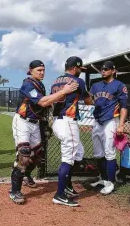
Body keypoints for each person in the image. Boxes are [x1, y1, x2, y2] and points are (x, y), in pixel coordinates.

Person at [10, 60, 78, 205]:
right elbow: (42, 102)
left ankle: (26, 174)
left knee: (37, 156)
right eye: (39, 70)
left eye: (43, 70)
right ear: (30, 70)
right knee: (24, 154)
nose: (42, 72)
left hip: (35, 123)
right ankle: (14, 191)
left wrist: (45, 123)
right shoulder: (28, 84)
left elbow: (46, 105)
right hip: (22, 121)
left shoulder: (40, 85)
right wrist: (64, 91)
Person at [50, 56, 92, 207]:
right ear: (75, 68)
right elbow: (88, 101)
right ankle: (60, 194)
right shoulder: (78, 81)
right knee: (68, 158)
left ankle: (66, 186)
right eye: (80, 69)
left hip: (57, 121)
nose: (81, 71)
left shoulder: (56, 80)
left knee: (79, 152)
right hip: (67, 121)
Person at [89, 61, 128, 195]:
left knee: (109, 152)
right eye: (101, 69)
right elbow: (89, 101)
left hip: (111, 120)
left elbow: (124, 107)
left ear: (113, 70)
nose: (103, 71)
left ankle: (111, 182)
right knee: (98, 153)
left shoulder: (119, 85)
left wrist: (121, 124)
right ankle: (104, 179)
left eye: (106, 69)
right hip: (97, 121)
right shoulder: (95, 86)